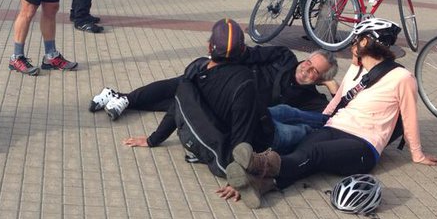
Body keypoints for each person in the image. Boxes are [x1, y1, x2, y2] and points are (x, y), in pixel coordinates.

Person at [219, 18, 437, 209]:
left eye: (355, 41)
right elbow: (338, 101)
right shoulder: (356, 68)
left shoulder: (402, 78)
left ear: (365, 42)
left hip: (364, 144)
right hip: (334, 127)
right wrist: (323, 121)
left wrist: (417, 154)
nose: (352, 46)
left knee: (313, 154)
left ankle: (258, 165)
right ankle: (260, 184)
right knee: (302, 153)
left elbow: (409, 116)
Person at [98, 45, 338, 154]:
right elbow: (250, 53)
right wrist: (221, 59)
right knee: (178, 85)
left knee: (175, 105)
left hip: (230, 105)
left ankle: (117, 96)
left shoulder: (309, 98)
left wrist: (332, 87)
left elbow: (333, 114)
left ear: (319, 79)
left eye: (314, 71)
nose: (306, 69)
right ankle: (126, 99)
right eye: (308, 62)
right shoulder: (284, 56)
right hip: (226, 79)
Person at [121, 18, 275, 156]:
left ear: (209, 47)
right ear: (242, 51)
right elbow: (241, 136)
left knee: (283, 111)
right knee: (289, 125)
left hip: (251, 119)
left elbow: (177, 105)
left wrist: (152, 140)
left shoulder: (196, 70)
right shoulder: (244, 80)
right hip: (263, 134)